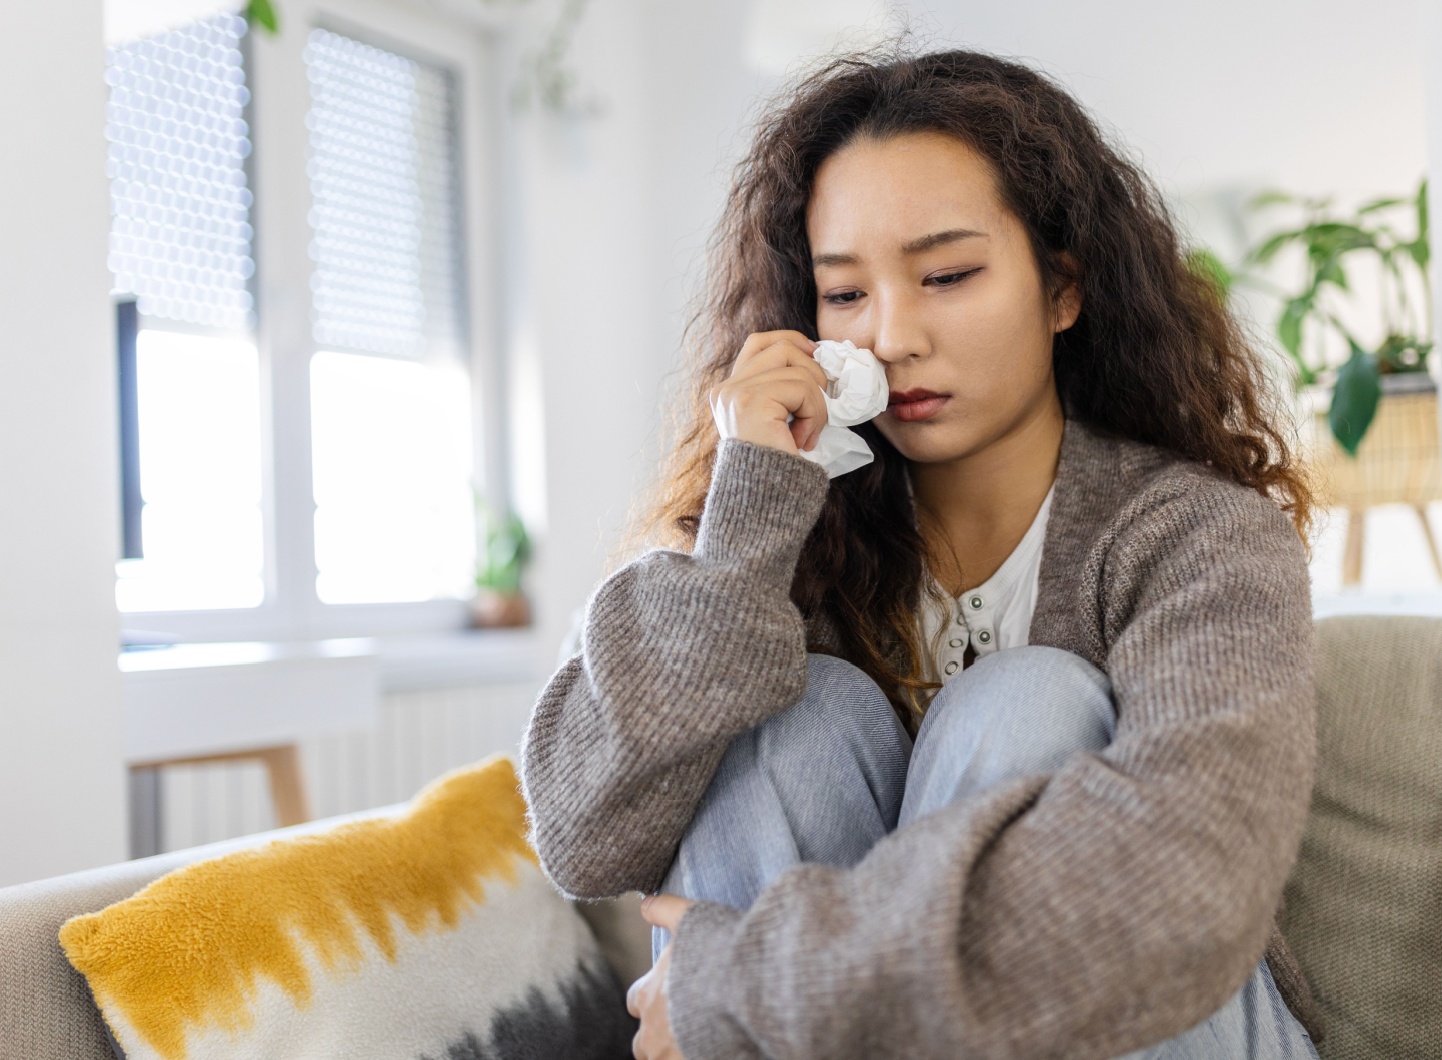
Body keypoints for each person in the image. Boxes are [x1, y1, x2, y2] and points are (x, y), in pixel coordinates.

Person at [521, 48, 1323, 1060]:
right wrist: (747, 520)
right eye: (844, 295)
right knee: (795, 719)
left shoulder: (1195, 535)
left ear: (1063, 288)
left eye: (946, 275)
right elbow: (584, 838)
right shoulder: (778, 529)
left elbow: (1182, 894)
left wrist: (742, 984)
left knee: (1026, 702)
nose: (891, 336)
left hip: (1179, 1031)